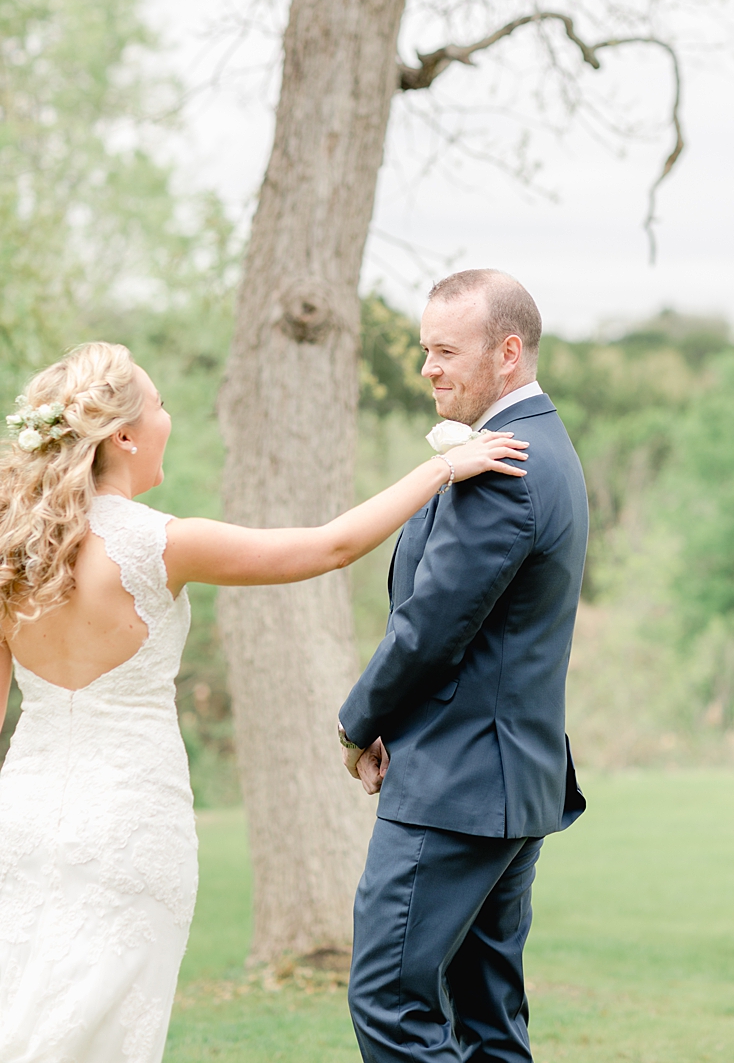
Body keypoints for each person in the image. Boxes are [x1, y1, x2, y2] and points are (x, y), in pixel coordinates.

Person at [0, 340, 529, 1063]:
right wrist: (442, 467)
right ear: (122, 435)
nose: (168, 417)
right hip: (128, 818)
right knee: (107, 1025)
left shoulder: (13, 553)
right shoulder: (157, 545)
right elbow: (330, 547)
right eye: (159, 405)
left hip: (22, 818)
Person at [339, 269, 589, 1063]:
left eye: (446, 350)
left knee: (391, 1001)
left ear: (508, 353)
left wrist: (360, 723)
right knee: (487, 1020)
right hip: (508, 785)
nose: (428, 369)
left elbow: (428, 631)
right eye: (424, 350)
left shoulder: (504, 472)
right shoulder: (544, 447)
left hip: (456, 784)